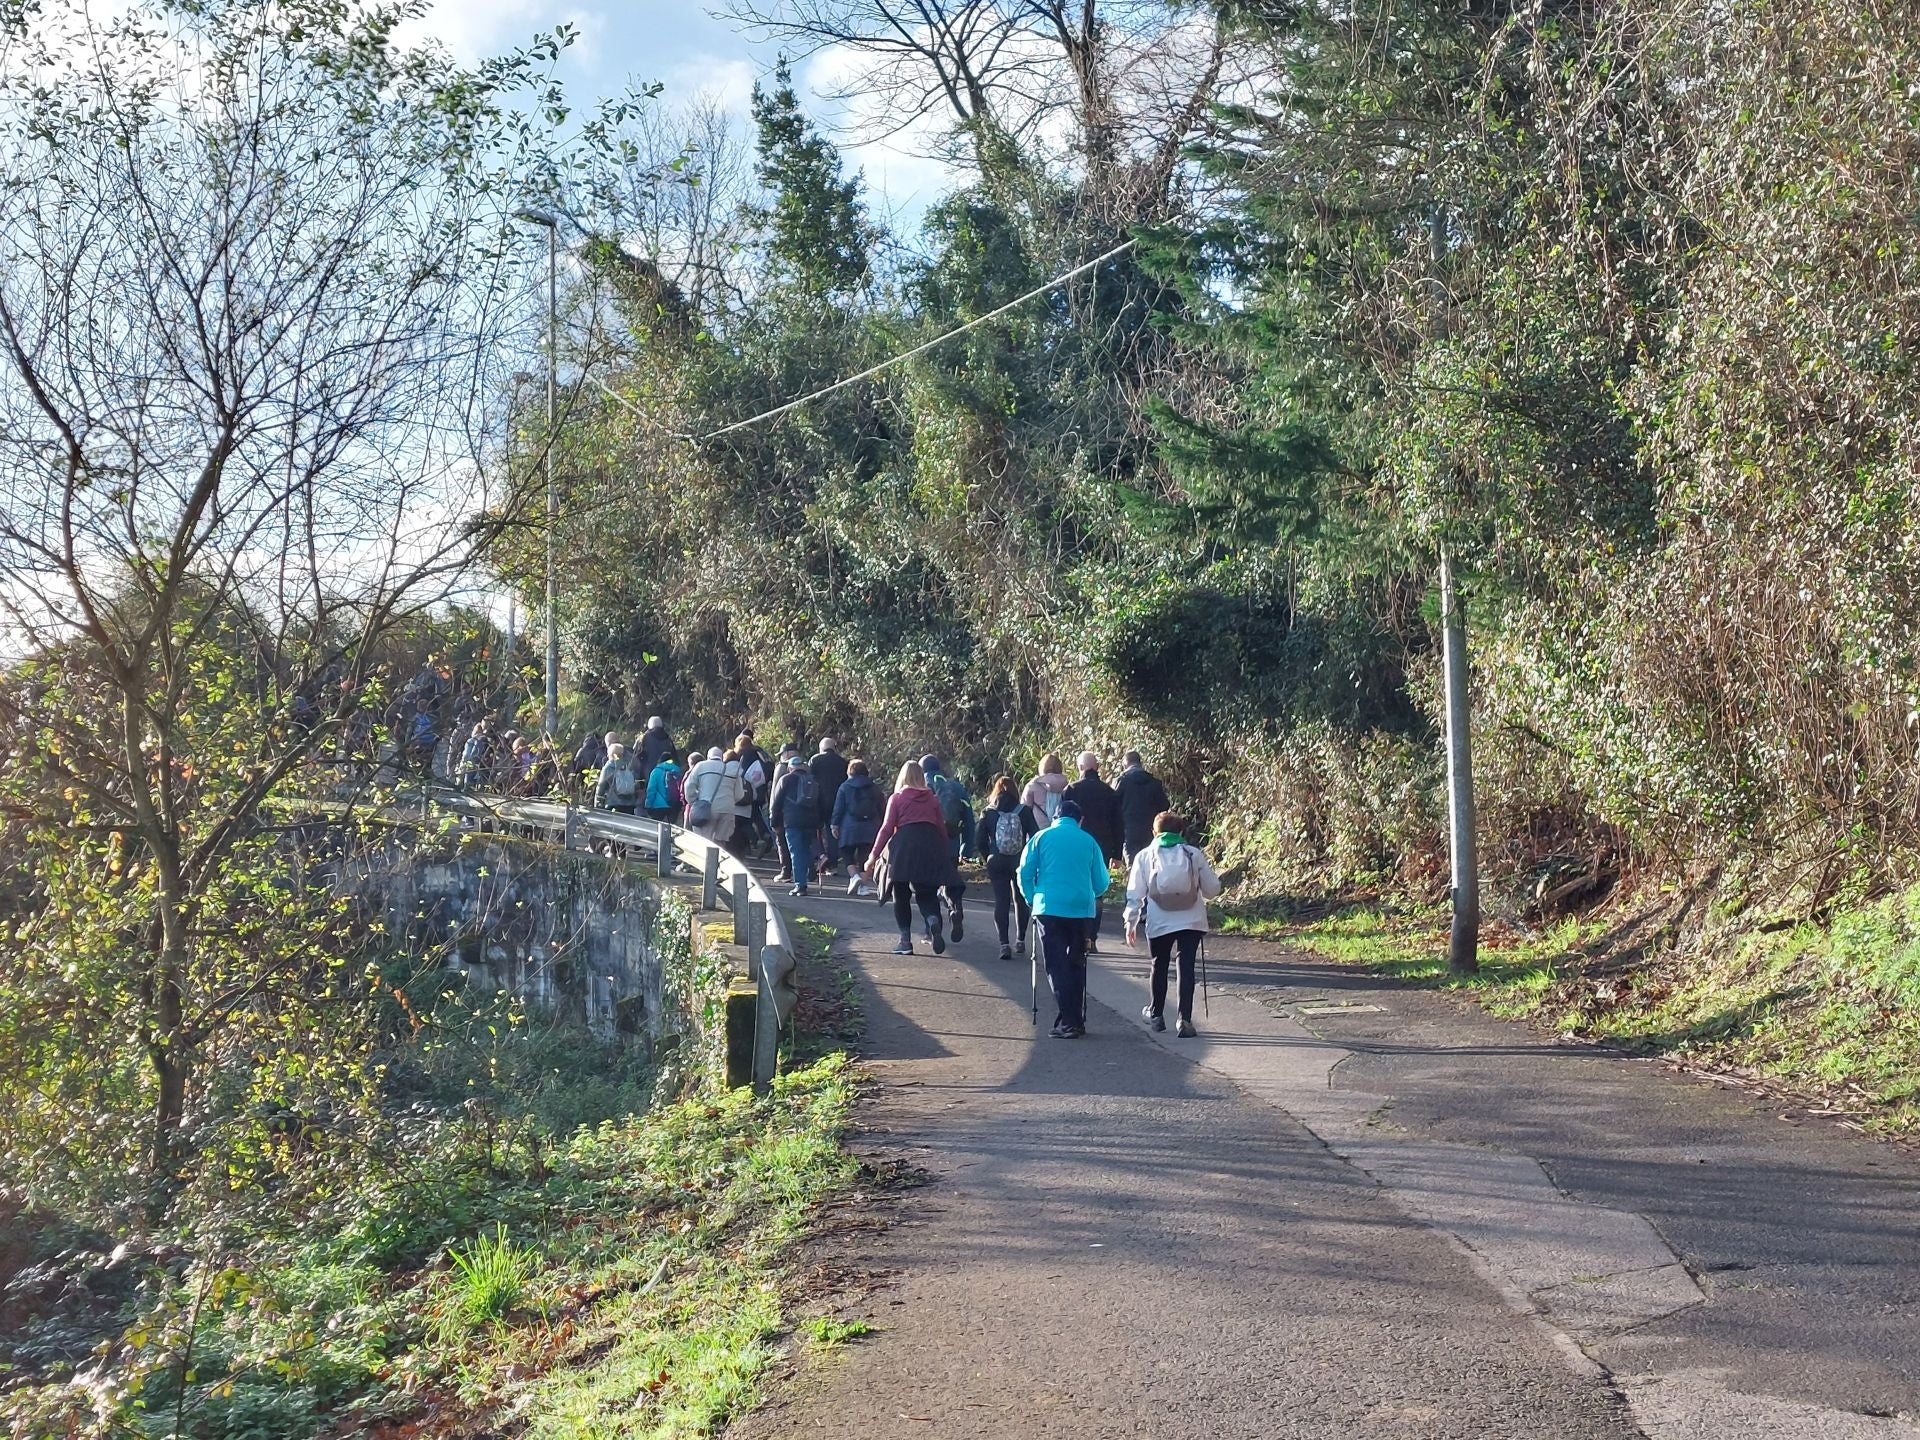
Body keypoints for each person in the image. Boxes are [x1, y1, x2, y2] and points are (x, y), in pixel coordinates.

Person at [1017, 798, 1111, 1038]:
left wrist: (1031, 898)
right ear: (1080, 820)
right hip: (1081, 910)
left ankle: (1069, 1021)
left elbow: (1024, 872)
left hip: (1049, 908)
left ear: (1055, 817)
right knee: (1076, 963)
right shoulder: (1089, 841)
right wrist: (1088, 893)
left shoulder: (1041, 838)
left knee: (1056, 965)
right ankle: (1074, 1020)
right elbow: (1101, 882)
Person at [1124, 811, 1223, 1038]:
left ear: (1154, 832)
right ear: (1181, 832)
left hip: (1159, 920)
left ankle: (1156, 1014)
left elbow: (1135, 893)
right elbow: (1212, 889)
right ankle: (1185, 1019)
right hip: (1192, 920)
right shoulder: (1193, 854)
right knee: (1186, 966)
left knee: (1158, 964)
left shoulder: (1145, 856)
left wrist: (1131, 921)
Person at [865, 760, 957, 955]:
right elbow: (940, 826)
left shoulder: (897, 798)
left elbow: (887, 828)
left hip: (904, 847)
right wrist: (944, 851)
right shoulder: (932, 798)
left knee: (901, 894)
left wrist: (873, 855)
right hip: (929, 844)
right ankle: (932, 920)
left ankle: (905, 942)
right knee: (927, 891)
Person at [1064, 752, 1123, 953]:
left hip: (1075, 846)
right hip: (1102, 847)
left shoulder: (1071, 790)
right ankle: (1092, 938)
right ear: (1097, 767)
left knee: (1076, 887)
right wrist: (1117, 854)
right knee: (1097, 891)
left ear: (1080, 767)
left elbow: (1061, 818)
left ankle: (1078, 934)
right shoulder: (1109, 792)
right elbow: (1118, 824)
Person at [974, 774, 1038, 961]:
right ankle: (1020, 940)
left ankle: (1004, 944)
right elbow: (1034, 836)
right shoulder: (1024, 811)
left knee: (1001, 901)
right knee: (1020, 898)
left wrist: (988, 856)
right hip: (1018, 860)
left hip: (997, 860)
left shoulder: (989, 812)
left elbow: (979, 840)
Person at [769, 755, 824, 896]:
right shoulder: (813, 781)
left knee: (796, 852)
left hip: (792, 821)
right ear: (803, 766)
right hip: (811, 822)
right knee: (806, 850)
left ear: (789, 768)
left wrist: (774, 822)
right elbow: (821, 803)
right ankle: (807, 876)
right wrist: (820, 822)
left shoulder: (785, 779)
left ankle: (800, 885)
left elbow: (777, 803)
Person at [831, 758, 884, 895]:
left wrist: (834, 824)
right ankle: (863, 886)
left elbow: (839, 808)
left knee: (846, 852)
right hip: (871, 826)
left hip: (850, 826)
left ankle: (854, 877)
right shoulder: (875, 788)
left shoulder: (845, 786)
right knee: (865, 856)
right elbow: (882, 808)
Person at [1115, 749, 1171, 865]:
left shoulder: (1121, 782)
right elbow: (1164, 805)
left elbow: (1113, 806)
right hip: (1151, 831)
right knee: (1152, 865)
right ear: (1140, 763)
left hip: (1129, 831)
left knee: (1133, 866)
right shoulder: (1154, 782)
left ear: (1125, 764)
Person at [921, 754, 976, 864]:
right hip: (951, 848)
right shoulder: (957, 788)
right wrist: (965, 850)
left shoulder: (919, 788)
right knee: (950, 879)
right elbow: (969, 821)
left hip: (926, 849)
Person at [683, 746, 739, 847]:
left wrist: (693, 801)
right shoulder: (731, 770)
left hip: (707, 808)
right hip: (727, 810)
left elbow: (688, 786)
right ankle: (718, 861)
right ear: (722, 757)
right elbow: (740, 794)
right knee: (721, 842)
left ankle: (706, 862)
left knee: (704, 841)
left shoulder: (701, 766)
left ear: (708, 757)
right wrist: (730, 802)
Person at [810, 737, 850, 869]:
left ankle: (821, 855)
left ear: (821, 749)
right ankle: (832, 864)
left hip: (818, 800)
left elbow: (810, 780)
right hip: (837, 800)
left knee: (814, 829)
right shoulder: (842, 762)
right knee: (833, 831)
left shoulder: (815, 760)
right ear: (834, 748)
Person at [1021, 752, 1069, 833]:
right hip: (1060, 827)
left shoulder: (1032, 786)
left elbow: (1024, 810)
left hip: (1038, 829)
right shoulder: (1067, 785)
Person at [597, 741, 642, 814]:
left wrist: (598, 802)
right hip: (629, 804)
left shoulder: (608, 768)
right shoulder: (629, 766)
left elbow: (601, 786)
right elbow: (636, 784)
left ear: (610, 754)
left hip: (613, 803)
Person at [644, 748, 683, 822]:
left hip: (658, 805)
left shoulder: (656, 771)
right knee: (672, 828)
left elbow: (651, 789)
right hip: (674, 804)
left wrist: (648, 805)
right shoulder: (678, 770)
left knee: (657, 829)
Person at [571, 730, 608, 798]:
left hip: (580, 774)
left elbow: (575, 761)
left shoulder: (581, 749)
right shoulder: (599, 750)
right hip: (592, 775)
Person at [460, 718, 494, 788]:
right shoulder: (482, 739)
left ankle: (465, 786)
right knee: (470, 773)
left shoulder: (472, 740)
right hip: (474, 760)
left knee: (467, 773)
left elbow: (468, 752)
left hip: (469, 759)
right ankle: (468, 786)